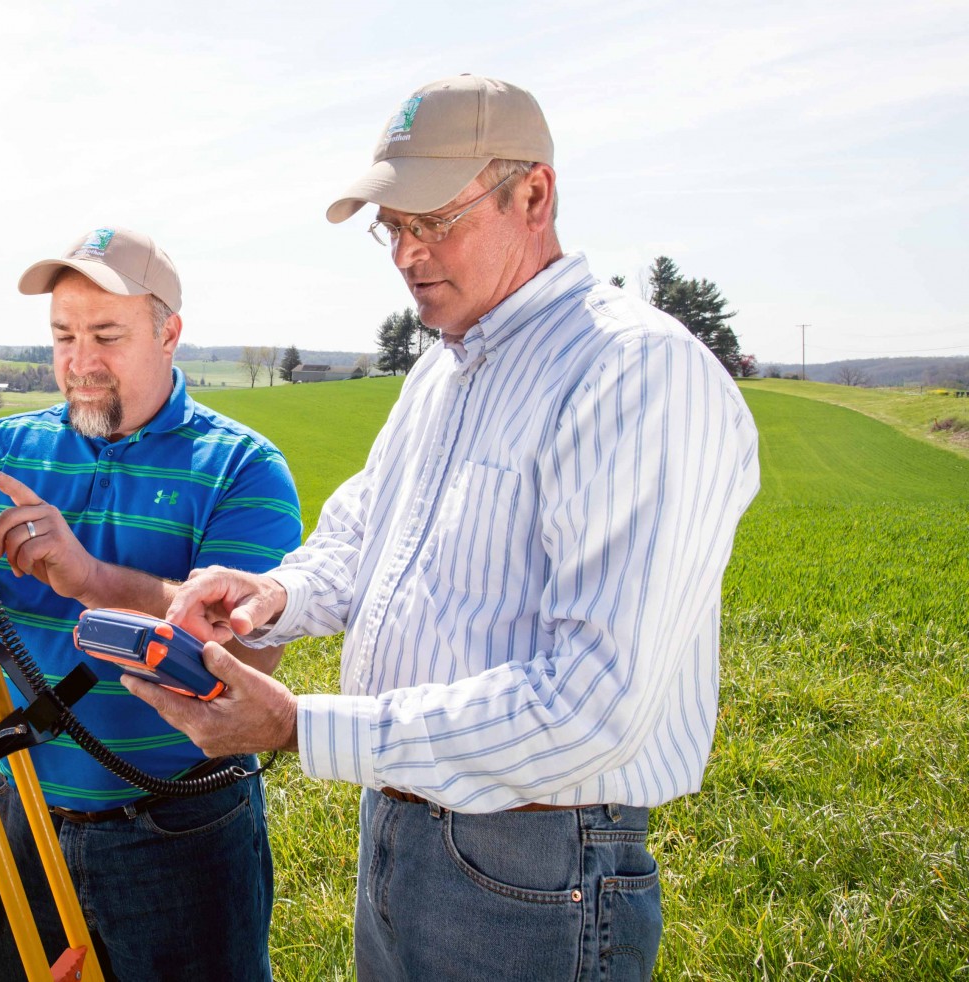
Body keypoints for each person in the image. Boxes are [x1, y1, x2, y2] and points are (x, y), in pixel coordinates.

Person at [125, 76, 761, 981]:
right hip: (402, 827)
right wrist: (271, 595)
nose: (407, 253)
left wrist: (301, 727)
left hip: (537, 864)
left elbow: (592, 705)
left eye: (434, 219)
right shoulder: (446, 368)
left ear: (534, 195)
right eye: (394, 228)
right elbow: (361, 540)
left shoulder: (634, 373)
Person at [0, 226, 302, 981]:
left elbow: (251, 653)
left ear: (168, 333)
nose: (79, 363)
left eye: (106, 335)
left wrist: (91, 580)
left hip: (182, 828)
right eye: (64, 336)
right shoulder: (3, 453)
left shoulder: (243, 467)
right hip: (27, 822)